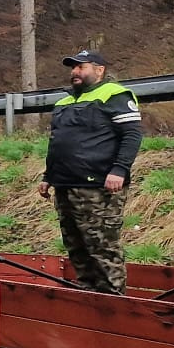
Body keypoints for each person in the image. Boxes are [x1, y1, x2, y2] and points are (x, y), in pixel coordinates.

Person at [38, 48, 142, 295]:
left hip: (98, 186)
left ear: (99, 70)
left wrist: (119, 169)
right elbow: (58, 142)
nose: (75, 72)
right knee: (76, 245)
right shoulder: (64, 102)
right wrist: (48, 176)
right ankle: (87, 293)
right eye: (73, 67)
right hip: (65, 184)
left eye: (81, 67)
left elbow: (132, 135)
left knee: (101, 245)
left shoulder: (114, 95)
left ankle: (113, 298)